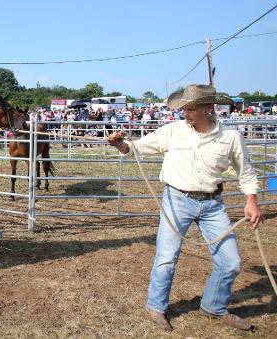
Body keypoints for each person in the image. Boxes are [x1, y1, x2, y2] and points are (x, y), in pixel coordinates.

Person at [107, 84, 264, 332]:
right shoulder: (173, 131)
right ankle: (156, 307)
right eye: (183, 109)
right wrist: (120, 144)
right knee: (166, 258)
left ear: (208, 108)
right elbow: (136, 147)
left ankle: (214, 306)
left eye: (190, 108)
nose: (185, 113)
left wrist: (251, 201)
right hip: (176, 200)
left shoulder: (230, 137)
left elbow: (246, 172)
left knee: (231, 261)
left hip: (213, 204)